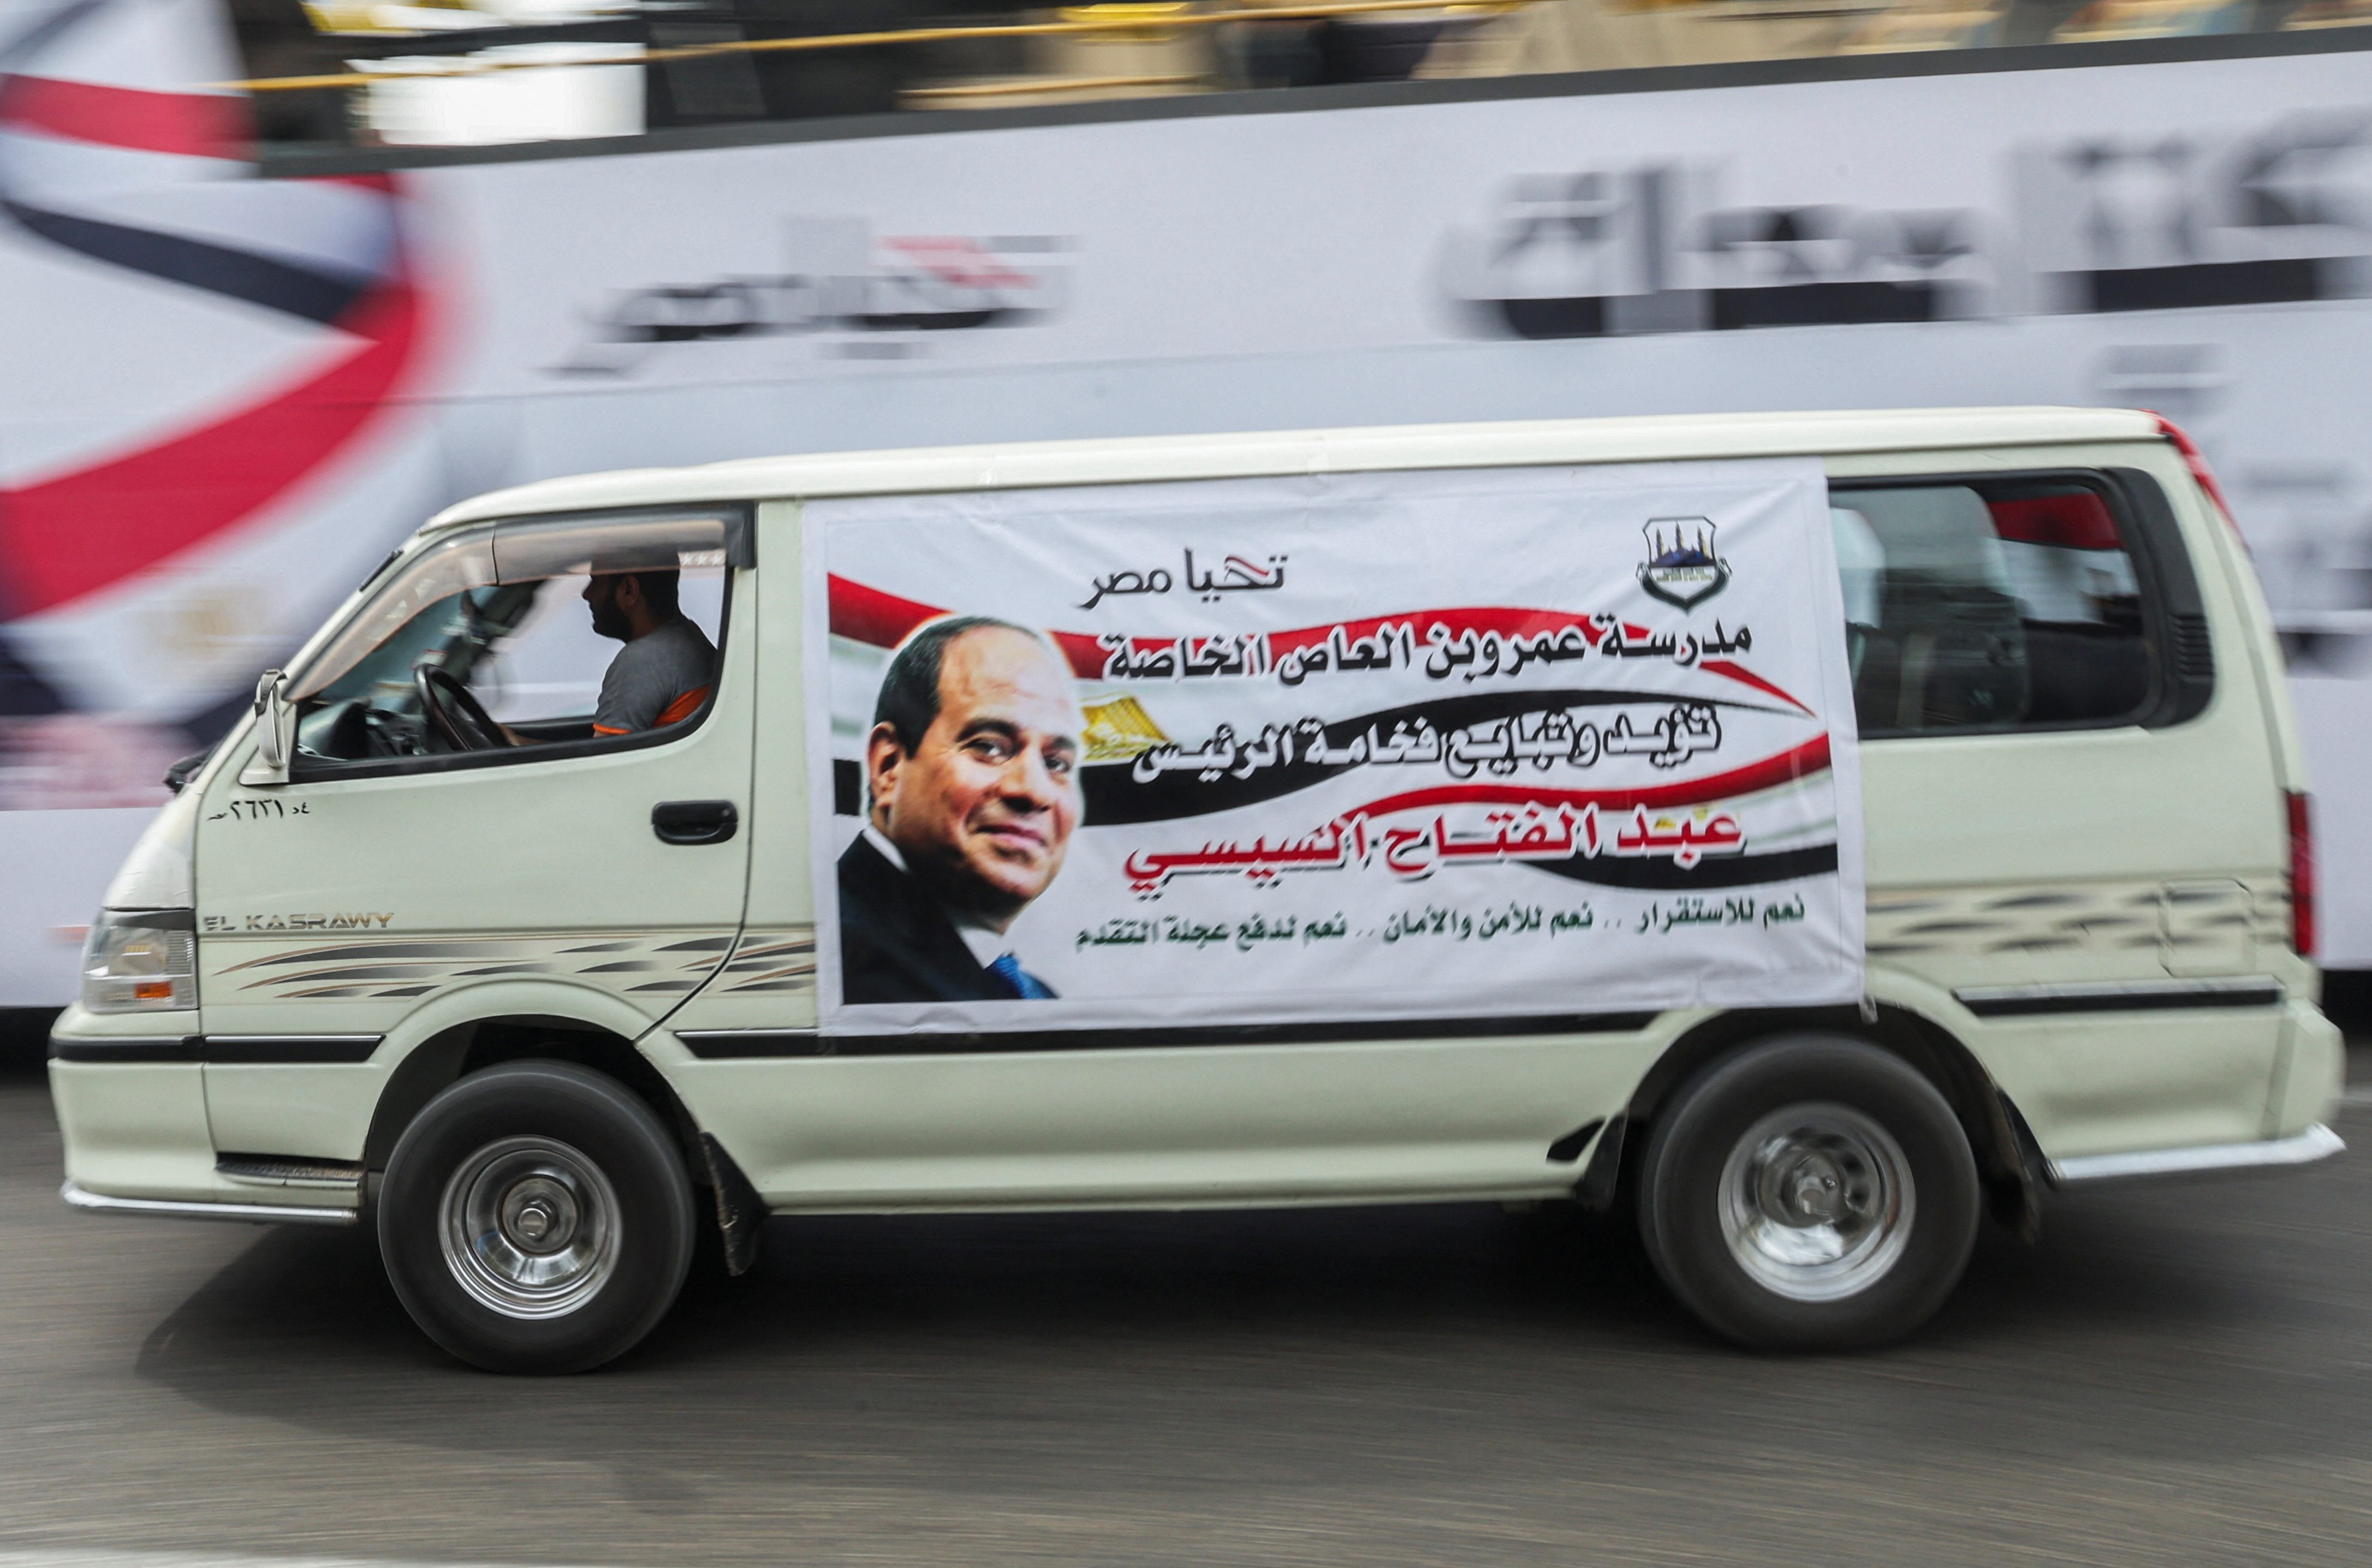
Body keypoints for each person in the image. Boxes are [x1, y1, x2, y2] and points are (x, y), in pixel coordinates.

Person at [839, 615, 1084, 1004]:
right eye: (988, 746)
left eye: (1056, 763)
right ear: (889, 766)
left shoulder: (1033, 996)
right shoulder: (841, 959)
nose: (1035, 791)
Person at [584, 569, 716, 736]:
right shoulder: (689, 637)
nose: (586, 594)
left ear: (629, 590)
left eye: (595, 582)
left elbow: (603, 757)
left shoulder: (642, 660)